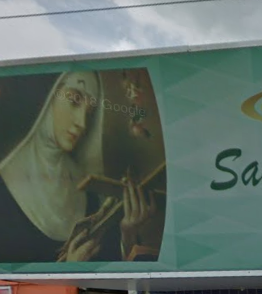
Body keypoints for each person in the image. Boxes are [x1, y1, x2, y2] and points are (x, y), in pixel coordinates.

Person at [0, 70, 157, 263]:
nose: (82, 123)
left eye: (89, 112)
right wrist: (69, 271)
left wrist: (128, 234)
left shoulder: (88, 190)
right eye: (74, 101)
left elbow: (107, 264)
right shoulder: (4, 185)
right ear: (46, 99)